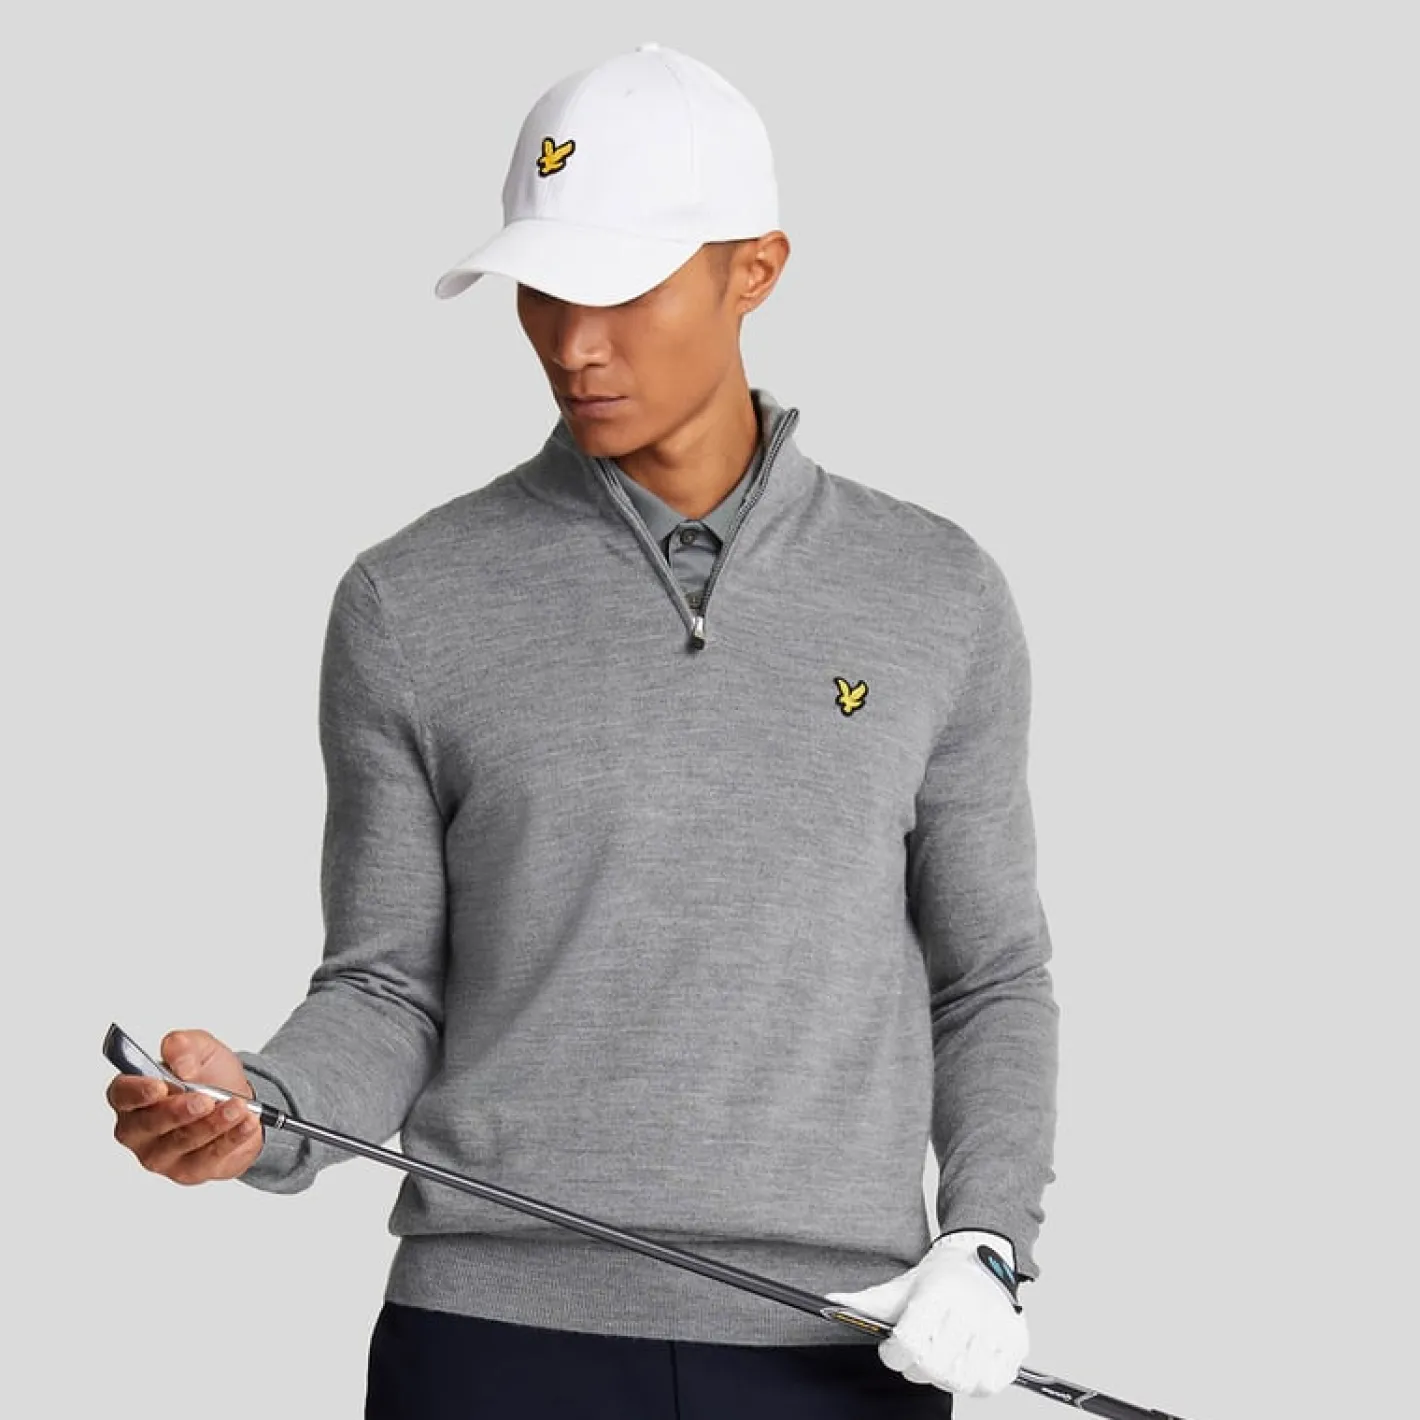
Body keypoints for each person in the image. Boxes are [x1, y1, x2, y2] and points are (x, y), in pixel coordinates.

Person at [106, 41, 1059, 1418]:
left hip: (842, 1345)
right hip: (490, 1343)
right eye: (542, 290)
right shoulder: (409, 600)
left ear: (755, 270)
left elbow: (990, 978)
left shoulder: (936, 592)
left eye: (619, 289)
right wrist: (265, 1105)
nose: (572, 342)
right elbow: (390, 986)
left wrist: (987, 1243)